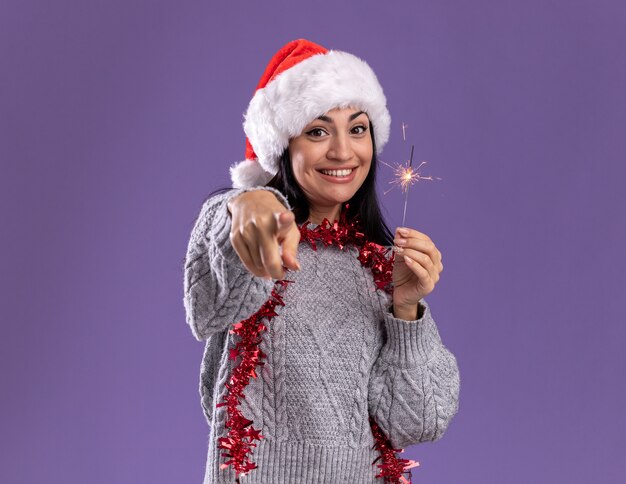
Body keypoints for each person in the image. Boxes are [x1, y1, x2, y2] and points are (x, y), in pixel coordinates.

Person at [183, 39, 460, 484]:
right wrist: (246, 204)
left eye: (357, 129)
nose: (343, 152)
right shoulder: (258, 236)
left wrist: (406, 309)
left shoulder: (379, 268)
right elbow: (210, 303)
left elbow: (417, 422)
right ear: (281, 145)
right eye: (317, 131)